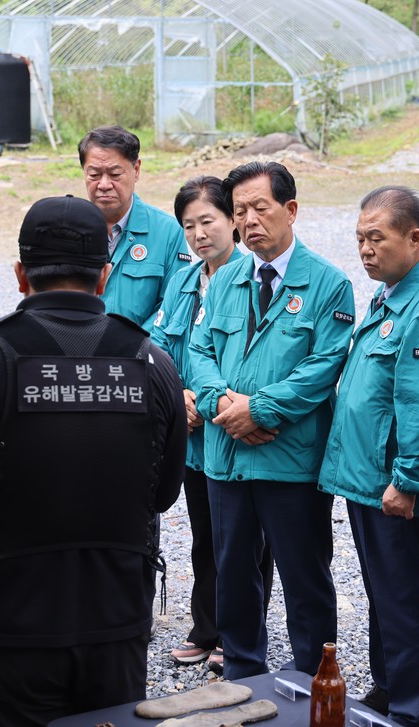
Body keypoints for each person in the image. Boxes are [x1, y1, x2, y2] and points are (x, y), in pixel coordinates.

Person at [0, 195, 185, 726]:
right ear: (103, 276)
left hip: (11, 624)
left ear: (20, 274)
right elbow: (164, 493)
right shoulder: (153, 361)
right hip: (117, 622)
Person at [186, 161, 356, 680]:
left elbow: (323, 366)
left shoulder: (329, 284)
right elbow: (199, 349)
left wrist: (257, 410)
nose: (250, 220)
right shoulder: (225, 280)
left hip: (291, 459)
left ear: (291, 209)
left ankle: (312, 674)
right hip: (227, 457)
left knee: (304, 574)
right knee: (233, 571)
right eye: (240, 211)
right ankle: (241, 669)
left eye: (261, 207)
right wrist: (220, 405)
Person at [319, 187, 419, 727]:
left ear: (415, 238)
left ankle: (410, 710)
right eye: (359, 238)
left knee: (405, 600)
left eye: (376, 238)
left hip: (396, 488)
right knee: (385, 595)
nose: (365, 249)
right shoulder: (393, 294)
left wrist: (407, 481)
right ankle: (387, 693)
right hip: (370, 480)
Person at [149, 176, 274, 673]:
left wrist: (206, 397)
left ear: (232, 223)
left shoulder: (253, 276)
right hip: (194, 437)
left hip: (234, 430)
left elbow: (246, 360)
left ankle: (241, 633)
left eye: (209, 221)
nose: (200, 234)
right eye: (188, 226)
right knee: (205, 534)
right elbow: (160, 346)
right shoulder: (183, 280)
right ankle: (207, 626)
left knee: (246, 542)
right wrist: (177, 393)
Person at [79, 125, 189, 326]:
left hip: (141, 352)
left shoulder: (169, 232)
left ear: (136, 170)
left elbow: (174, 305)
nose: (104, 185)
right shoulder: (69, 228)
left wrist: (133, 344)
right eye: (94, 174)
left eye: (114, 174)